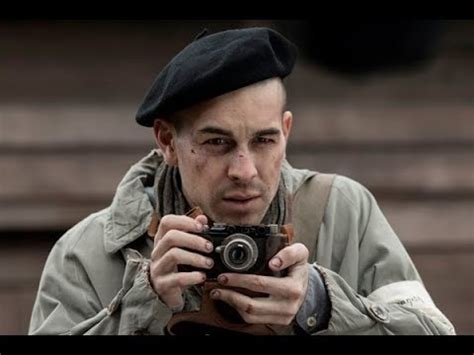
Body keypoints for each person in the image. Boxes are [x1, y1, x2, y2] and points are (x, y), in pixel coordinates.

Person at [29, 27, 455, 335]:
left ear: (286, 131)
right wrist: (145, 305)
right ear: (167, 141)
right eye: (217, 142)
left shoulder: (341, 212)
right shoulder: (87, 253)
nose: (245, 170)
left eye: (264, 140)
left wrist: (322, 304)